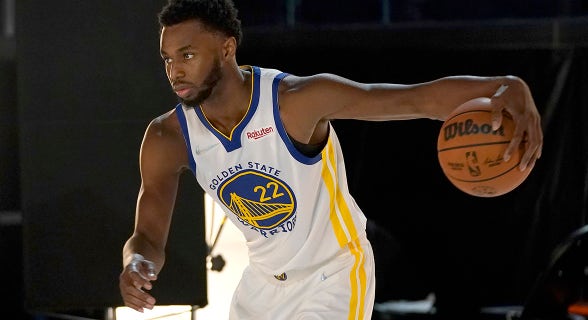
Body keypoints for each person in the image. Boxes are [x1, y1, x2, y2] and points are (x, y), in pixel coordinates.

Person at [118, 0, 543, 319]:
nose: (175, 70)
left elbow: (415, 98)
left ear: (227, 48)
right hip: (262, 288)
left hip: (334, 274)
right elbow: (148, 235)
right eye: (168, 58)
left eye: (187, 54)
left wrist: (508, 85)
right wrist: (136, 262)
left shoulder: (295, 101)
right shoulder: (167, 137)